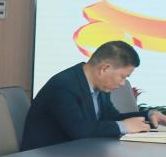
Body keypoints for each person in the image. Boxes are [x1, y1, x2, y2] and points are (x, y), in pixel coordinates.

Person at [21, 40, 164, 150]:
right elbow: (79, 130)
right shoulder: (63, 86)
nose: (122, 83)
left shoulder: (99, 86)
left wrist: (148, 115)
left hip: (78, 155)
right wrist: (125, 126)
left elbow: (110, 118)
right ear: (104, 68)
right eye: (123, 76)